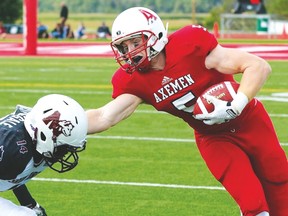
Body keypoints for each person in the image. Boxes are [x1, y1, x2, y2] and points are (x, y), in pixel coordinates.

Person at [86, 7, 288, 216]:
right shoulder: (134, 82)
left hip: (249, 121)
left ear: (155, 35)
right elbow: (104, 116)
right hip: (213, 138)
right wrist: (66, 126)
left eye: (136, 43)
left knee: (280, 184)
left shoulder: (190, 46)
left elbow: (258, 66)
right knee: (253, 206)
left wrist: (235, 106)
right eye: (123, 46)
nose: (130, 52)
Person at [0, 94, 88, 216]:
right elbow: (12, 163)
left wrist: (29, 203)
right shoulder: (10, 146)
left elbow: (12, 173)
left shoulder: (30, 142)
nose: (64, 154)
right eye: (63, 149)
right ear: (43, 135)